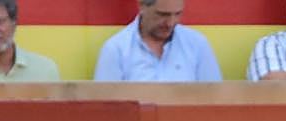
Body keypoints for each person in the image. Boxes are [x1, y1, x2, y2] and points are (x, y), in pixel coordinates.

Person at [93, 0, 221, 82]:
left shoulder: (197, 44)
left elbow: (216, 100)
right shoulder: (116, 49)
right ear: (142, 6)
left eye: (177, 14)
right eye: (162, 15)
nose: (170, 23)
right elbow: (106, 109)